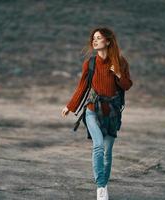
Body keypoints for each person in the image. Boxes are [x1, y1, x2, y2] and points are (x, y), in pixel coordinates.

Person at [61, 27, 133, 200]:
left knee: (107, 153)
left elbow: (127, 85)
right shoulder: (90, 63)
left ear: (107, 41)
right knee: (98, 146)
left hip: (112, 115)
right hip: (92, 111)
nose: (94, 41)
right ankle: (100, 188)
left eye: (99, 38)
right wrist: (70, 106)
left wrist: (118, 74)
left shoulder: (120, 62)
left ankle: (104, 184)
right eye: (93, 38)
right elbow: (82, 87)